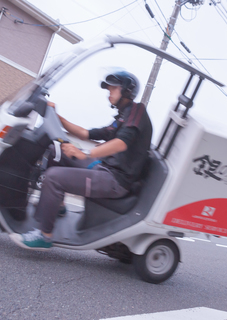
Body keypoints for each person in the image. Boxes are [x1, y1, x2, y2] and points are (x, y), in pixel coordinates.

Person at [9, 70, 153, 250]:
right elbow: (87, 133)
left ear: (127, 91)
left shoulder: (137, 110)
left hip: (116, 181)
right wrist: (57, 116)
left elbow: (122, 143)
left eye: (113, 88)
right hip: (103, 169)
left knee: (54, 177)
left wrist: (85, 153)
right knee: (57, 151)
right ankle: (59, 206)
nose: (109, 92)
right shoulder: (121, 118)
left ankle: (44, 235)